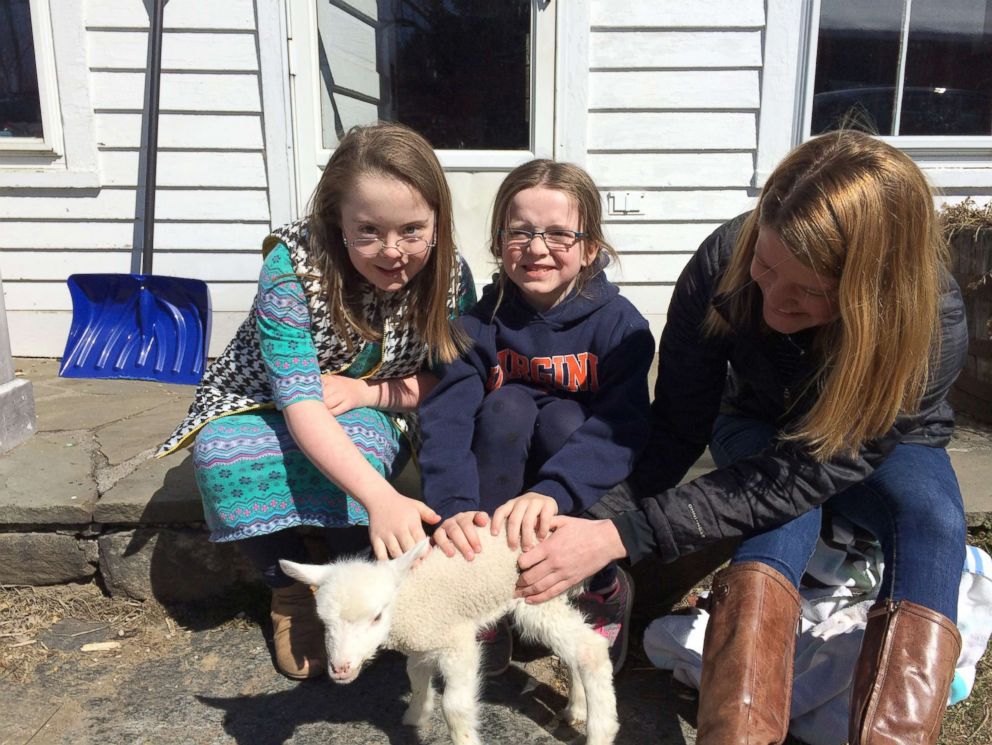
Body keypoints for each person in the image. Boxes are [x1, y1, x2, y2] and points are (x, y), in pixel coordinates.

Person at [512, 131, 968, 744]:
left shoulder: (929, 321)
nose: (774, 302)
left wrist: (622, 535)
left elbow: (806, 474)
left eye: (808, 291)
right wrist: (599, 524)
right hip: (757, 420)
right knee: (782, 519)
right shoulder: (721, 260)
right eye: (765, 270)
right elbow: (677, 427)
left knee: (934, 519)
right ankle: (736, 733)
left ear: (872, 290)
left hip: (881, 438)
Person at [157, 122, 476, 680]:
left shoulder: (449, 276)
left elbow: (451, 379)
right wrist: (383, 499)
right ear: (337, 221)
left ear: (437, 223)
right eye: (369, 231)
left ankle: (355, 588)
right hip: (262, 397)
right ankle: (288, 592)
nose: (393, 250)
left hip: (379, 404)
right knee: (222, 459)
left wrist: (366, 392)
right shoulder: (292, 267)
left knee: (362, 452)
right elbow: (299, 400)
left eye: (412, 230)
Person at [417, 159, 656, 674]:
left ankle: (598, 587)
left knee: (566, 419)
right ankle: (487, 591)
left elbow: (624, 427)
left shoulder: (621, 328)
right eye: (520, 232)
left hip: (573, 489)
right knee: (507, 405)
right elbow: (448, 416)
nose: (538, 248)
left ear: (591, 247)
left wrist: (554, 491)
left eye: (558, 234)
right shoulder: (478, 325)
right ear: (499, 241)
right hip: (497, 492)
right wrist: (453, 507)